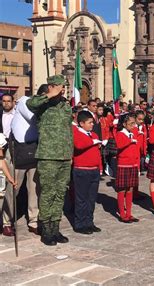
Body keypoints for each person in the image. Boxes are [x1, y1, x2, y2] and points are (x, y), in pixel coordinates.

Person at [26, 75, 72, 246]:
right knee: (47, 193)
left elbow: (69, 132)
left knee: (60, 193)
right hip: (48, 156)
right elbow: (30, 104)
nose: (63, 89)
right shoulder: (42, 105)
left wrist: (70, 155)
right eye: (61, 86)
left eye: (64, 87)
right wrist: (49, 94)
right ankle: (46, 230)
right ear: (52, 86)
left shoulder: (65, 106)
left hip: (64, 156)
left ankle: (55, 228)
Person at [3, 85, 45, 236]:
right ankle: (7, 220)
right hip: (18, 151)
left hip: (34, 149)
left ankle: (34, 220)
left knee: (34, 188)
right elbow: (35, 118)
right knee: (13, 187)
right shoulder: (24, 102)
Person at [72, 111, 102, 234]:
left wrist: (99, 168)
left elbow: (97, 154)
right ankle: (80, 224)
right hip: (82, 170)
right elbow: (79, 145)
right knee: (81, 199)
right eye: (89, 123)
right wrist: (93, 142)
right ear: (81, 123)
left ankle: (89, 222)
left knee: (91, 199)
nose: (92, 125)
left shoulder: (94, 134)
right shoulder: (76, 132)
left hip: (94, 170)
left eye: (92, 122)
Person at [115, 113, 140, 223]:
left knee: (130, 189)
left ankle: (129, 213)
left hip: (133, 164)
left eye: (134, 123)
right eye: (131, 123)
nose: (133, 125)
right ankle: (122, 214)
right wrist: (130, 141)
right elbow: (119, 145)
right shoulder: (120, 134)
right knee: (122, 189)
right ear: (124, 124)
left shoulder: (132, 133)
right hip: (124, 164)